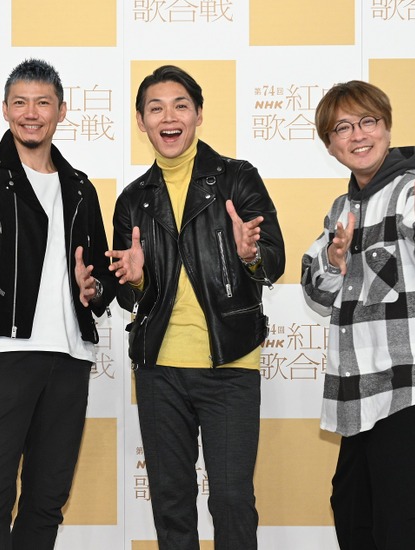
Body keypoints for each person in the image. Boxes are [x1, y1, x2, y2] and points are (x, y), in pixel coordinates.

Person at [107, 65, 286, 550]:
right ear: (141, 121)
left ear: (199, 114)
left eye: (180, 105)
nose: (169, 117)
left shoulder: (237, 178)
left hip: (230, 362)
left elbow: (274, 261)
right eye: (156, 108)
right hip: (159, 370)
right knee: (171, 503)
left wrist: (250, 253)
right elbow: (127, 296)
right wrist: (136, 278)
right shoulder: (133, 200)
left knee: (231, 499)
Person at [0, 58, 116, 550]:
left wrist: (93, 289)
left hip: (70, 358)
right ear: (5, 109)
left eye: (42, 103)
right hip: (6, 352)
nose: (31, 113)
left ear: (62, 110)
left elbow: (101, 274)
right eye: (20, 102)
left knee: (46, 502)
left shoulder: (80, 186)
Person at [301, 80, 415, 549]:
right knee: (356, 518)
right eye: (343, 128)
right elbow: (315, 294)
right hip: (362, 395)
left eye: (368, 121)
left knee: (413, 528)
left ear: (387, 127)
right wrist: (333, 261)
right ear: (330, 145)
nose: (358, 135)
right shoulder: (342, 210)